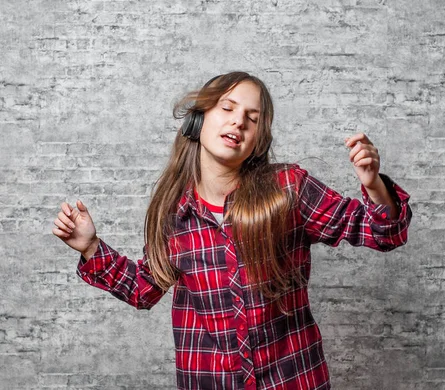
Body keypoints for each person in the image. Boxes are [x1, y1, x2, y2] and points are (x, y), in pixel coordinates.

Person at [52, 71, 412, 390]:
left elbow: (382, 232)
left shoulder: (289, 188)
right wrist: (91, 247)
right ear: (198, 120)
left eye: (251, 119)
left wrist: (375, 185)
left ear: (258, 140)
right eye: (227, 108)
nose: (238, 121)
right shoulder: (174, 216)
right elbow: (145, 288)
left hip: (293, 378)